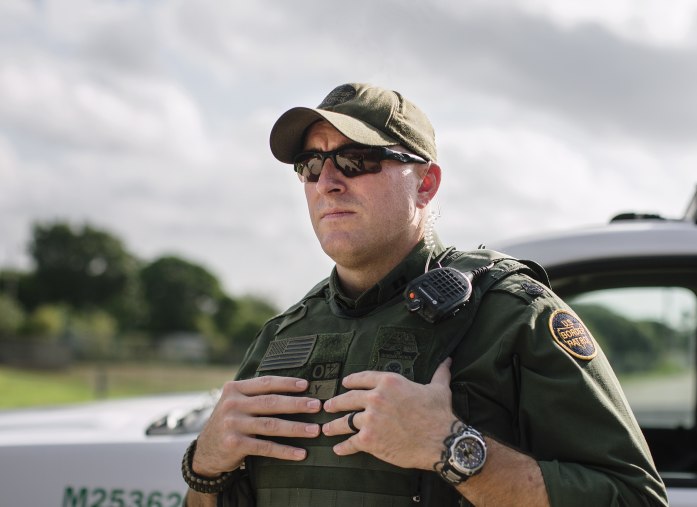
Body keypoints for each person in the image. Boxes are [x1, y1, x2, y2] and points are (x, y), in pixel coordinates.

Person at [182, 83, 669, 507]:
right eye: (310, 165)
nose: (327, 183)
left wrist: (451, 446)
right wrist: (205, 466)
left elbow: (634, 497)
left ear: (426, 184)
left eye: (356, 160)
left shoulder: (513, 316)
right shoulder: (282, 336)